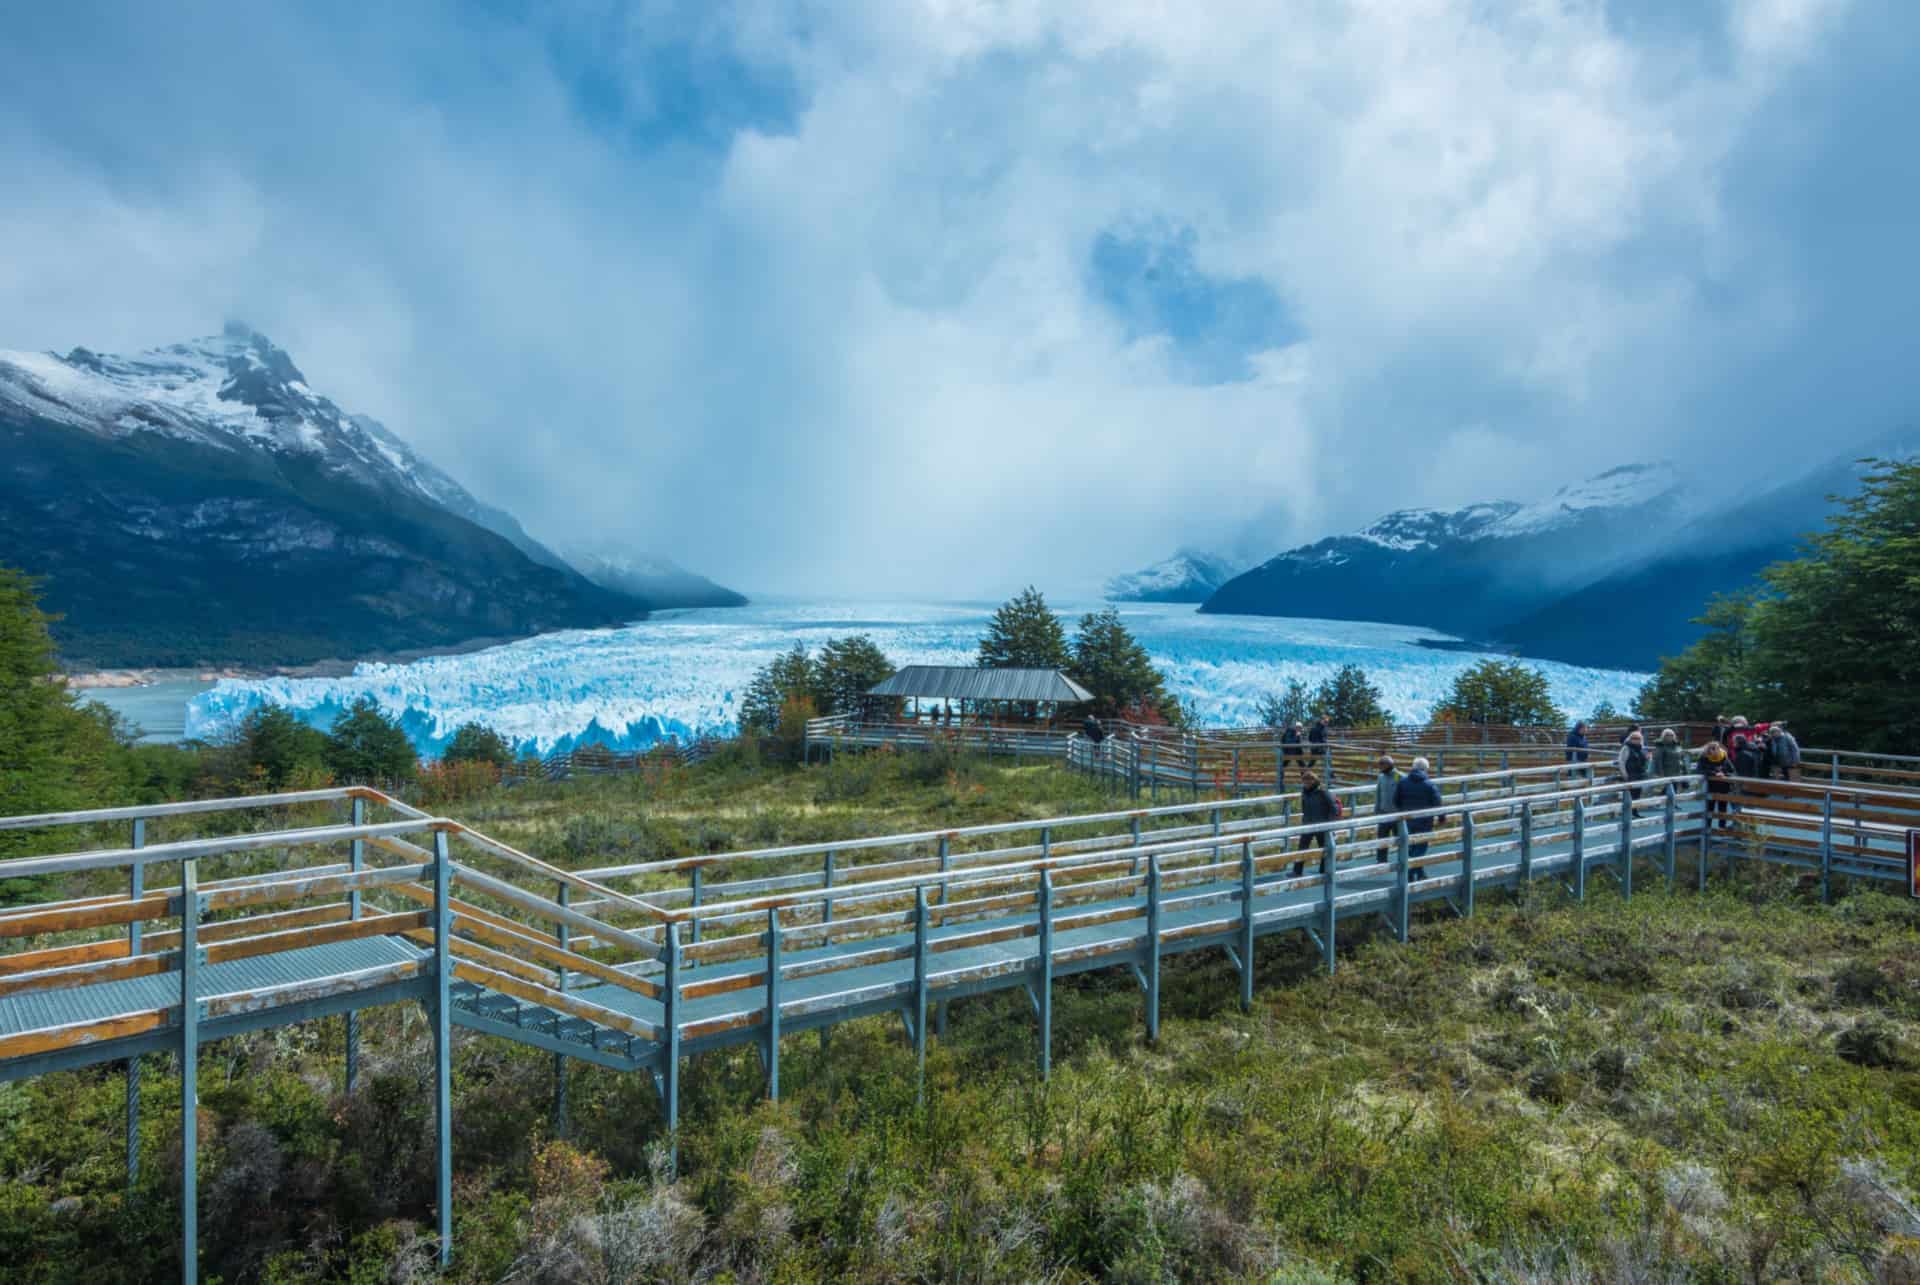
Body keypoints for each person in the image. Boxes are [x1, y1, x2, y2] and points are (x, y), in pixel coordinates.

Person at [1392, 756, 1443, 882]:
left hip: (1406, 820)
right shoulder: (1429, 784)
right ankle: (1410, 872)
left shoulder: (1403, 782)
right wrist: (1441, 817)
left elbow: (1395, 800)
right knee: (1421, 847)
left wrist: (1403, 811)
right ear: (1425, 769)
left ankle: (1420, 873)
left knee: (1412, 846)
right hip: (1425, 821)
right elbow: (1437, 802)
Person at [1290, 769, 1338, 878]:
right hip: (1308, 824)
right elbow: (1304, 807)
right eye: (1304, 782)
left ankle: (1323, 870)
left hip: (1322, 825)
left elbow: (1333, 808)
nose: (1306, 784)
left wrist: (1329, 824)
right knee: (1302, 847)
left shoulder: (1323, 792)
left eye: (1308, 781)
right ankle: (1297, 871)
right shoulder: (1304, 792)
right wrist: (1304, 820)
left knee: (1324, 848)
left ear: (1313, 780)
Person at [1699, 740, 1734, 829]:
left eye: (1717, 748)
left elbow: (1732, 770)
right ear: (1709, 749)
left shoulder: (1724, 757)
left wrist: (1724, 774)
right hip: (1710, 787)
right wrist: (1714, 773)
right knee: (1709, 809)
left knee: (1723, 809)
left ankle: (1722, 828)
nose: (1715, 750)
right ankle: (1707, 829)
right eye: (1713, 748)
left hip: (1724, 787)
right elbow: (1700, 770)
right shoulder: (1704, 758)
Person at [1373, 754, 1400, 866]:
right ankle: (1381, 860)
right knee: (1382, 838)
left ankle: (1402, 858)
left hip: (1397, 814)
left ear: (1389, 765)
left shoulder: (1399, 776)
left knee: (1399, 838)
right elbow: (1378, 793)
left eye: (1382, 766)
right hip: (1384, 813)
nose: (1380, 769)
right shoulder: (1381, 777)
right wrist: (1377, 808)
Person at [1617, 729, 1650, 798]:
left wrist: (1647, 758)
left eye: (1638, 738)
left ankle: (1635, 808)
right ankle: (1629, 808)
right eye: (1634, 738)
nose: (1636, 740)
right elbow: (1621, 762)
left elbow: (1645, 761)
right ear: (1630, 738)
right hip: (1630, 774)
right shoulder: (1626, 748)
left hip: (1640, 774)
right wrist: (1624, 774)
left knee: (1638, 793)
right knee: (1630, 794)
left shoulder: (1641, 748)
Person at [1280, 721, 1304, 789]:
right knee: (1282, 766)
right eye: (1299, 727)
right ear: (1295, 727)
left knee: (1302, 767)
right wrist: (1297, 736)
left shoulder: (1289, 732)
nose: (1300, 729)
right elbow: (1290, 742)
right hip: (1291, 752)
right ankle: (1280, 781)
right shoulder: (1291, 732)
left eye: (1300, 728)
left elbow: (1283, 741)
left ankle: (1305, 781)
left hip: (1294, 752)